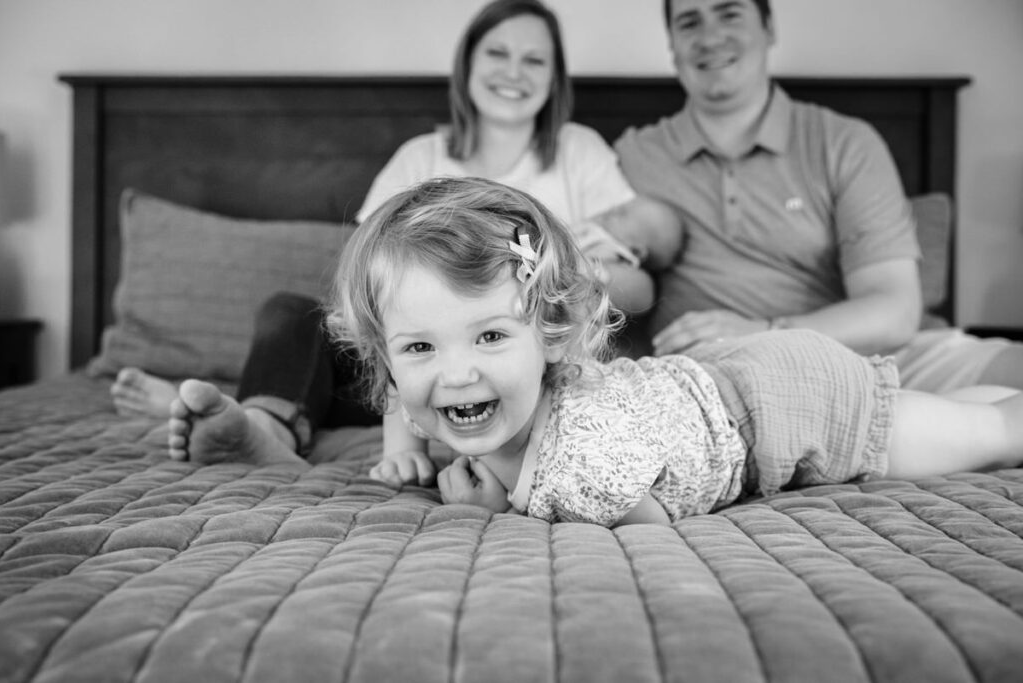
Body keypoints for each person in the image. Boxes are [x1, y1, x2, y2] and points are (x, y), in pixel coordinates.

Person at [296, 175, 1021, 527]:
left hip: (788, 410)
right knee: (954, 413)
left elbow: (647, 525)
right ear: (388, 361)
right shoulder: (451, 403)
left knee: (990, 438)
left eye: (489, 335)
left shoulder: (582, 466)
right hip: (737, 378)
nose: (456, 372)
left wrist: (511, 504)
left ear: (549, 338)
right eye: (420, 346)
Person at [157, 0, 678, 465]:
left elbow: (637, 284)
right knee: (289, 313)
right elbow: (359, 280)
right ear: (467, 64)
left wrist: (564, 279)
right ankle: (263, 426)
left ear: (554, 78)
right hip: (407, 367)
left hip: (520, 365)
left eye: (534, 59)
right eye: (498, 53)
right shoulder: (420, 158)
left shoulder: (579, 152)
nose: (514, 72)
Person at [614, 0, 1023, 394]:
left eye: (730, 13)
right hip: (720, 379)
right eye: (689, 22)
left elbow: (894, 311)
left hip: (868, 359)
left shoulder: (845, 143)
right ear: (671, 44)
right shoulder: (631, 157)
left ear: (769, 28)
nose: (710, 36)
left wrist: (766, 332)